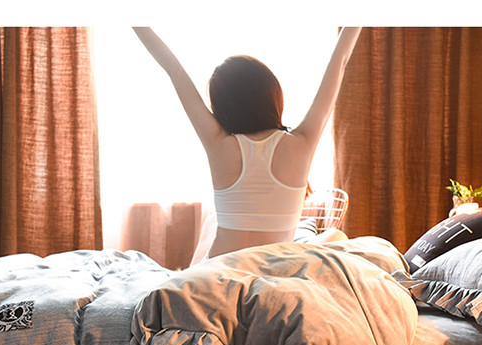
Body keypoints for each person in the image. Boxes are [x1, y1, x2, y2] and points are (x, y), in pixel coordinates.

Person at [132, 26, 362, 259]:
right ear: (273, 93)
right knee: (334, 236)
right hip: (275, 267)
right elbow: (340, 60)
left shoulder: (218, 143)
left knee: (213, 221)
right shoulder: (302, 142)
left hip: (217, 271)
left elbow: (173, 68)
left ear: (222, 108)